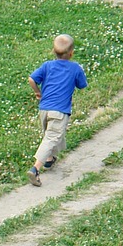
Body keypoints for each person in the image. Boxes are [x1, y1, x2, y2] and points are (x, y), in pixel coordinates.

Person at [26, 34, 87, 186]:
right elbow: (82, 85)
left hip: (44, 109)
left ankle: (49, 159)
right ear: (72, 53)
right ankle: (35, 169)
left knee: (51, 135)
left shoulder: (47, 65)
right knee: (52, 137)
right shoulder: (75, 68)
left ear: (53, 50)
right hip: (60, 111)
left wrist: (37, 92)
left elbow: (32, 79)